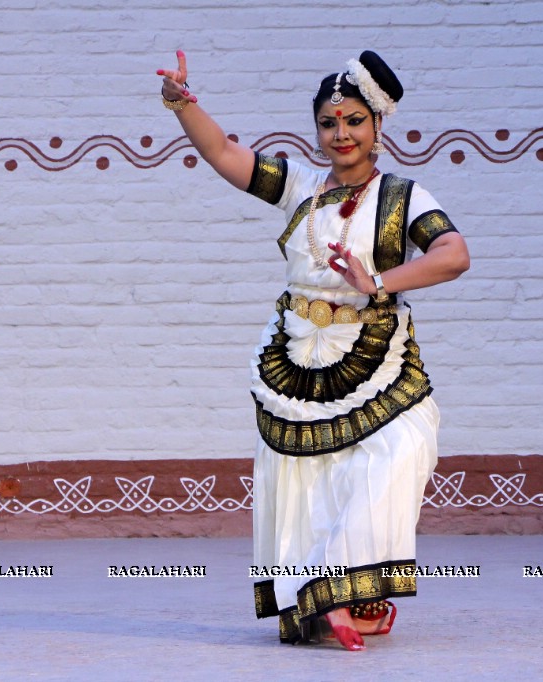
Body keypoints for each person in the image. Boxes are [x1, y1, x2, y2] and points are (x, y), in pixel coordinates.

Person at [156, 49, 470, 651]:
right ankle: (325, 601)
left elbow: (453, 254)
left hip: (371, 352)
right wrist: (181, 103)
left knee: (401, 449)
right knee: (308, 480)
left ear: (378, 126)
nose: (342, 133)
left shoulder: (402, 198)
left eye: (354, 120)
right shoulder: (299, 184)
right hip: (300, 354)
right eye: (330, 123)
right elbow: (224, 153)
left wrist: (378, 282)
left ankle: (342, 591)